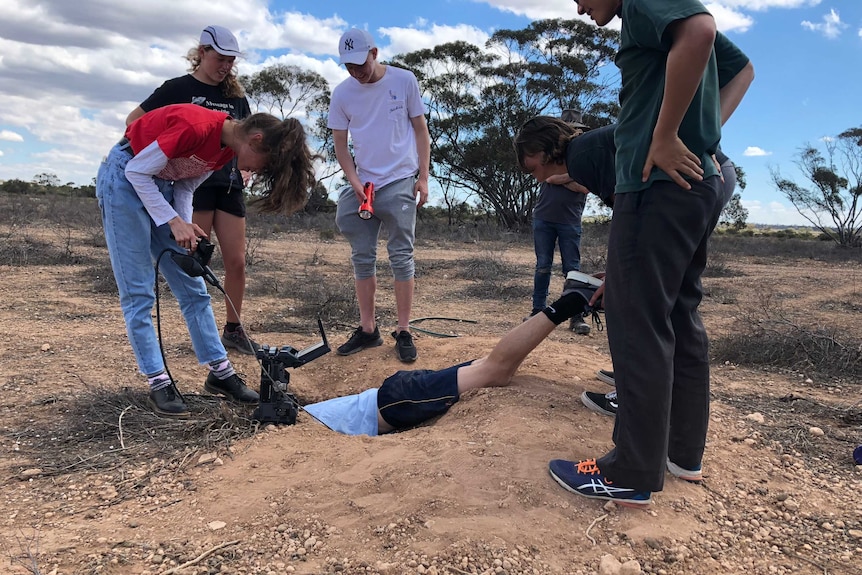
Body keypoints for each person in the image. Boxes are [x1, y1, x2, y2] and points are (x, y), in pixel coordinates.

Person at [543, 0, 753, 508]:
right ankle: (682, 455)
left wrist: (664, 137)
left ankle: (630, 469)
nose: (579, 7)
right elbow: (741, 68)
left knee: (637, 324)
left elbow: (701, 32)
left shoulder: (641, 4)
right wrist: (699, 138)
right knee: (679, 318)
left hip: (654, 184)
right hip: (691, 183)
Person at [96, 104, 320, 417]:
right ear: (255, 140)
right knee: (138, 293)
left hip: (159, 187)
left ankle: (220, 373)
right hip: (124, 179)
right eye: (261, 165)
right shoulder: (195, 127)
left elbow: (186, 184)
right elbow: (136, 172)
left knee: (194, 289)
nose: (254, 172)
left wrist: (183, 227)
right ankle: (158, 381)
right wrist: (174, 222)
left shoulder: (225, 151)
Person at [304, 277, 599, 435]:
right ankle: (570, 302)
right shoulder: (310, 415)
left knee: (494, 371)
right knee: (492, 367)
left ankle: (571, 302)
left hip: (393, 402)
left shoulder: (302, 424)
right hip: (394, 395)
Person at [126, 25, 258, 355]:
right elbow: (134, 121)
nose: (226, 66)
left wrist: (244, 169)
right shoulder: (177, 88)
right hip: (189, 185)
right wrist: (160, 158)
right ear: (202, 52)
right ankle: (202, 330)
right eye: (220, 58)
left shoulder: (237, 99)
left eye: (231, 60)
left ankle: (234, 329)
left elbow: (251, 140)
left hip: (226, 182)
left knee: (236, 261)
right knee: (195, 256)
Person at [328, 28, 431, 363]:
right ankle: (368, 329)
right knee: (362, 256)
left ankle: (403, 330)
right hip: (364, 184)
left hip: (400, 179)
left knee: (401, 255)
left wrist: (423, 178)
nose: (356, 72)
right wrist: (354, 181)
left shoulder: (404, 80)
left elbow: (421, 130)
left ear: (373, 52)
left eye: (360, 63)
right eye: (349, 66)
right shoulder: (342, 94)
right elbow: (340, 147)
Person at [526, 110, 592, 335]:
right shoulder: (549, 158)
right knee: (542, 266)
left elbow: (584, 186)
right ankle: (537, 311)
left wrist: (561, 178)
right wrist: (570, 177)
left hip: (570, 221)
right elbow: (549, 177)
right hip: (544, 218)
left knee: (572, 270)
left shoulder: (585, 159)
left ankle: (576, 316)